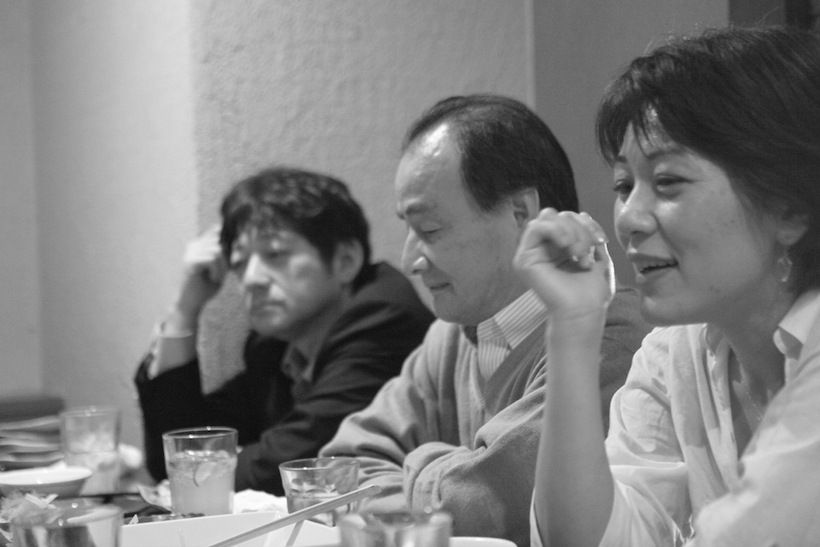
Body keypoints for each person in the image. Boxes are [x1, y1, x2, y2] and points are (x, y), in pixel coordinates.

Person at [519, 26, 820, 547]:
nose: (628, 219)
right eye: (623, 185)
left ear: (790, 207)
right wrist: (573, 325)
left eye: (668, 182)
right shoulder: (677, 350)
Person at [320, 94, 650, 546]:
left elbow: (489, 510)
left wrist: (417, 462)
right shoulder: (450, 337)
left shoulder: (610, 340)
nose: (410, 260)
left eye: (430, 230)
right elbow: (341, 468)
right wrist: (449, 473)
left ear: (521, 213)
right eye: (408, 229)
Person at [134, 167, 434, 495]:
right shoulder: (273, 344)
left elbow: (292, 465)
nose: (251, 279)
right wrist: (184, 312)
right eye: (239, 263)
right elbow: (180, 449)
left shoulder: (383, 322)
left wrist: (199, 470)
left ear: (345, 261)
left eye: (275, 254)